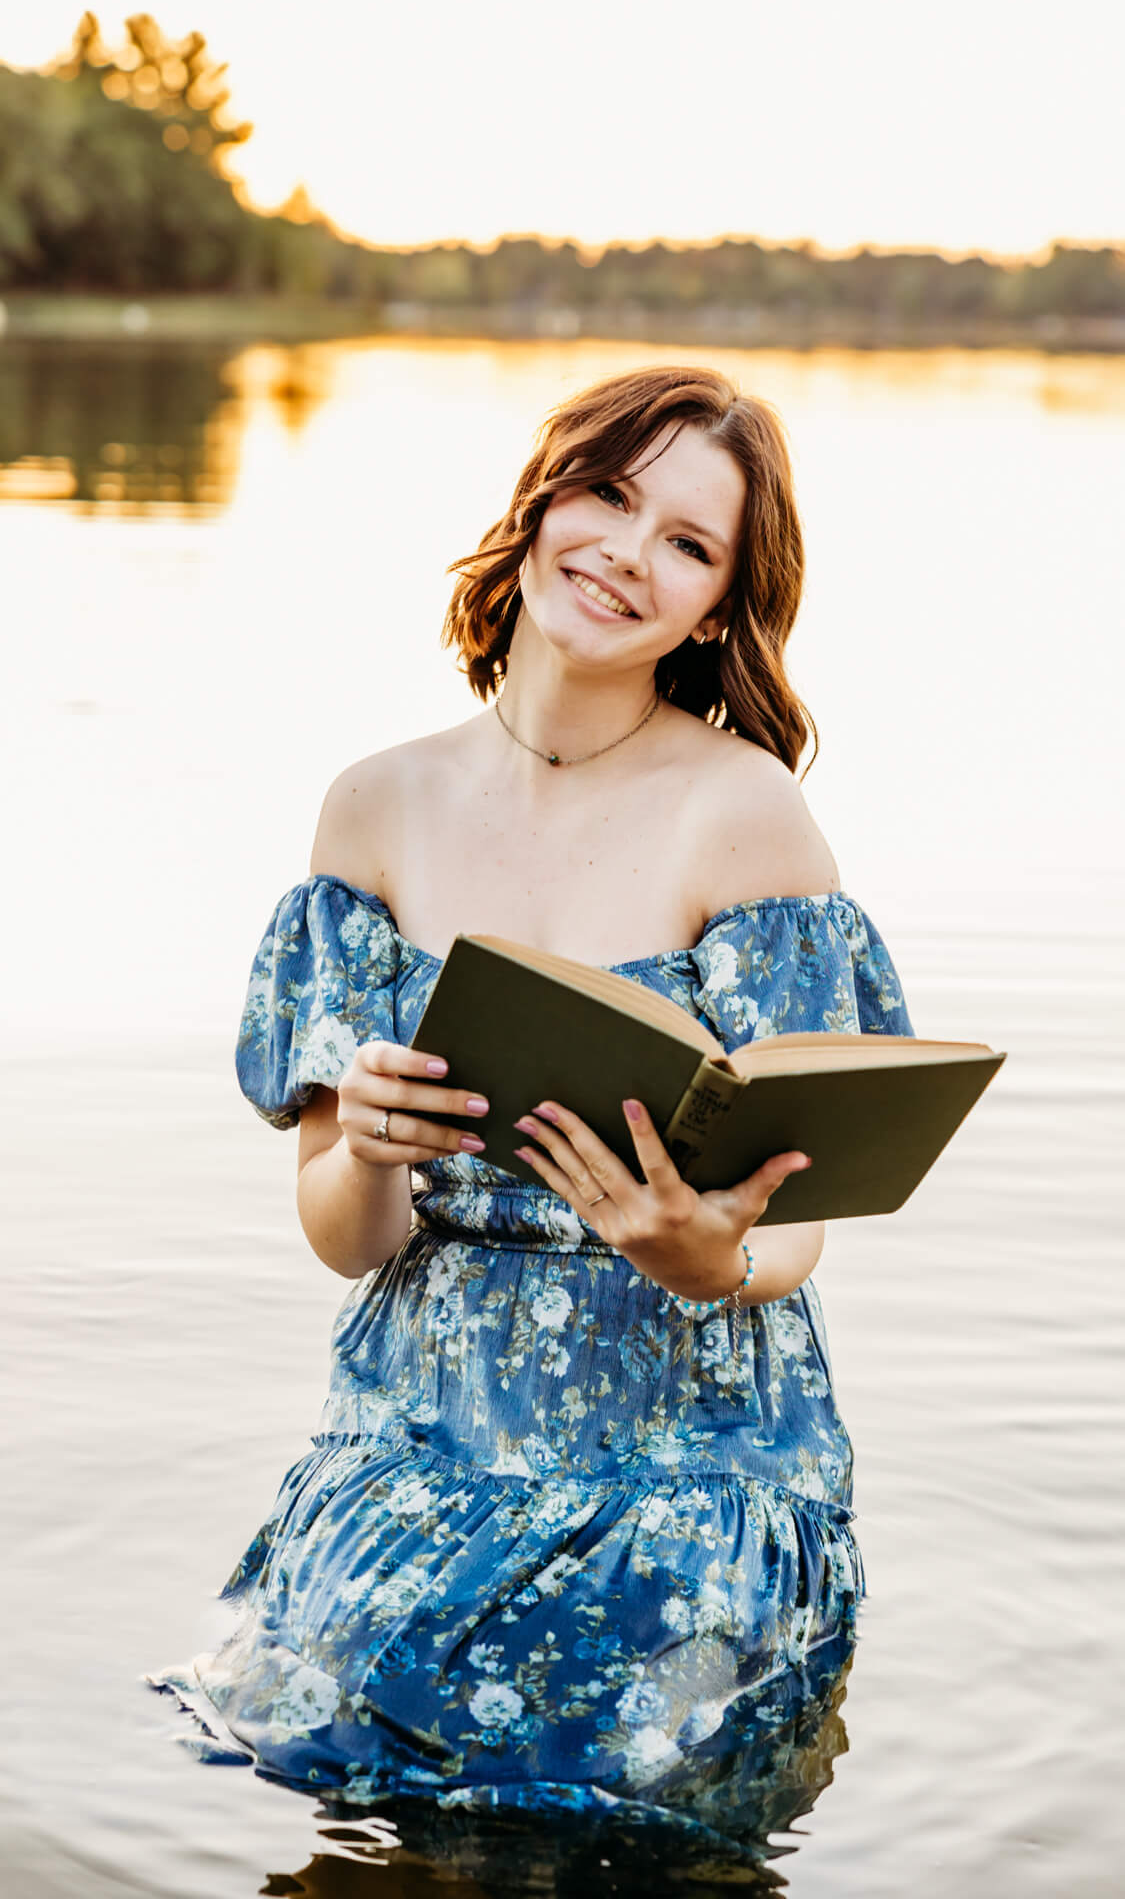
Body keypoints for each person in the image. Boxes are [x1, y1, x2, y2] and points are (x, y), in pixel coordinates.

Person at [147, 364, 914, 1833]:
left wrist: (710, 1257)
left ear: (715, 606)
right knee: (336, 1739)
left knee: (605, 1756)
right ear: (543, 498)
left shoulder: (743, 811)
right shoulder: (373, 806)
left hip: (694, 1429)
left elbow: (798, 1217)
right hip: (423, 1416)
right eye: (611, 497)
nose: (629, 553)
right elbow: (345, 1235)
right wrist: (366, 1146)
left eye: (687, 544)